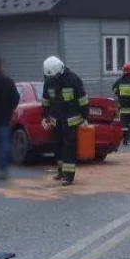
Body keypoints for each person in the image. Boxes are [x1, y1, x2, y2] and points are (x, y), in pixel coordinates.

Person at [42, 56, 89, 186]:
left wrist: (85, 117)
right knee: (58, 147)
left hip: (71, 121)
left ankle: (69, 176)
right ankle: (61, 171)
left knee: (69, 148)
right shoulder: (49, 80)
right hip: (56, 121)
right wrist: (44, 117)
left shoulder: (73, 79)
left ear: (60, 71)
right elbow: (46, 100)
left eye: (54, 76)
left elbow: (83, 99)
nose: (52, 79)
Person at [112, 62, 130, 145]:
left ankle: (125, 140)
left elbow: (114, 89)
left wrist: (119, 93)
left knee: (124, 125)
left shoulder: (119, 81)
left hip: (123, 108)